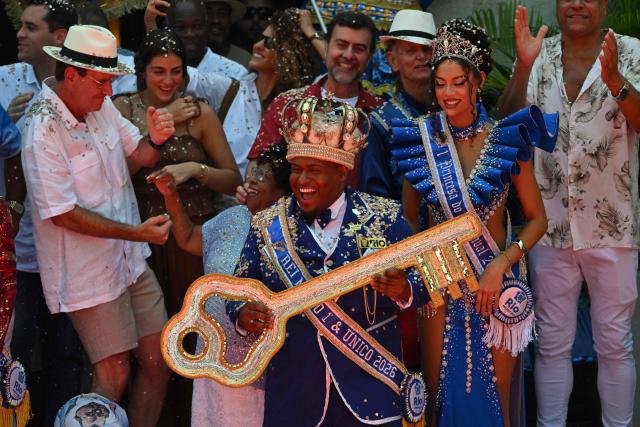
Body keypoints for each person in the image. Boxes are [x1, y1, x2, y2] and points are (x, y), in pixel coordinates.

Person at [390, 19, 557, 426]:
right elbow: (408, 220)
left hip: (495, 284)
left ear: (477, 82)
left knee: (495, 401)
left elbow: (538, 220)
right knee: (439, 394)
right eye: (441, 83)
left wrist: (501, 264)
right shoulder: (421, 141)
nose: (448, 93)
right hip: (439, 284)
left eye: (458, 83)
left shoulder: (506, 139)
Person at [227, 96, 430, 426]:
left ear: (342, 173)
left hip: (372, 389)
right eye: (295, 170)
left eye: (314, 170)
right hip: (295, 394)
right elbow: (239, 290)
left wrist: (404, 288)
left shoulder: (385, 218)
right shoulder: (266, 226)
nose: (301, 181)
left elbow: (427, 280)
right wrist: (242, 314)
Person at [21, 25, 176, 426]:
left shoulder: (99, 105)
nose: (109, 93)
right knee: (114, 374)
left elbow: (138, 153)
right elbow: (62, 213)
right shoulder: (41, 129)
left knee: (160, 361)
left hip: (129, 259)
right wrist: (137, 233)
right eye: (103, 82)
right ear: (72, 74)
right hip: (88, 276)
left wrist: (155, 142)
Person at [496, 3, 640, 425]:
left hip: (612, 226)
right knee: (553, 344)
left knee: (615, 345)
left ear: (605, 4)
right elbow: (502, 127)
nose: (577, 3)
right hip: (550, 225)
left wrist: (615, 81)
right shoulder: (538, 54)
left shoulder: (630, 51)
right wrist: (522, 67)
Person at [152, 141, 290, 426]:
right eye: (252, 172)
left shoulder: (291, 232)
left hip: (257, 366)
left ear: (284, 190)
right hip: (212, 355)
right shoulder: (233, 217)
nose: (251, 180)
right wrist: (171, 198)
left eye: (263, 177)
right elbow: (189, 238)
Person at [113, 28, 242, 316]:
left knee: (196, 322)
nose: (168, 80)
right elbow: (115, 175)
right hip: (140, 232)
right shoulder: (120, 108)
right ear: (142, 71)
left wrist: (196, 169)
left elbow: (234, 181)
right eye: (158, 71)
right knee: (148, 328)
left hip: (193, 233)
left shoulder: (198, 113)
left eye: (176, 71)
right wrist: (167, 119)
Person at [0, 2, 85, 425]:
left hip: (72, 245)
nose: (19, 34)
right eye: (20, 26)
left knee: (68, 352)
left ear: (58, 37)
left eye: (30, 28)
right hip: (18, 250)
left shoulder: (84, 84)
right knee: (14, 351)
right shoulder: (1, 80)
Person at [246, 11, 383, 185]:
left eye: (358, 49)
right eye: (341, 45)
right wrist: (255, 185)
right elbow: (256, 166)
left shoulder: (380, 113)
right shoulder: (287, 104)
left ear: (370, 57)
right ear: (326, 47)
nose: (348, 55)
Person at [144, 0, 248, 78]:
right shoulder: (156, 71)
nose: (189, 34)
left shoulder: (235, 72)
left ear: (206, 27)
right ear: (168, 30)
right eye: (180, 27)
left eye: (197, 26)